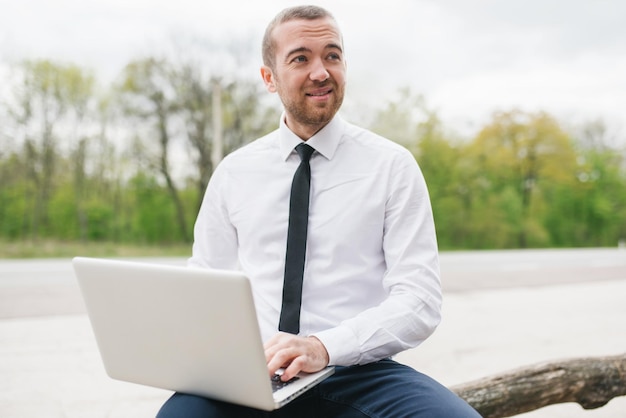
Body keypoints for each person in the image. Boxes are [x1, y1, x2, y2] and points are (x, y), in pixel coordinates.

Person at [157, 5, 480, 418]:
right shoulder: (234, 173)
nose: (321, 71)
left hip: (356, 370)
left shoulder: (392, 167)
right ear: (269, 78)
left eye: (332, 55)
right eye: (300, 58)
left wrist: (323, 347)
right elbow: (203, 283)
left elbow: (419, 301)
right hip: (254, 371)